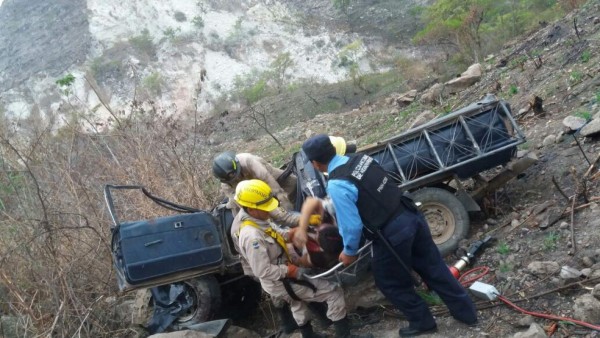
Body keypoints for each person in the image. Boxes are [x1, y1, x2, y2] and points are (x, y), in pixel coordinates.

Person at [298, 134, 478, 337]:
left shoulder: (337, 183)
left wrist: (349, 251)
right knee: (434, 267)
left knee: (389, 282)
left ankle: (423, 322)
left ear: (315, 163)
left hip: (391, 233)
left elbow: (352, 226)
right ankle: (467, 313)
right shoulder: (362, 159)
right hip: (410, 214)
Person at [233, 179, 371, 338]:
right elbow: (261, 270)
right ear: (251, 208)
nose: (269, 211)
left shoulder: (257, 220)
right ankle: (344, 335)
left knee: (297, 302)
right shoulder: (252, 237)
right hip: (280, 280)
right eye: (265, 209)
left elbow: (275, 233)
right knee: (333, 292)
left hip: (280, 277)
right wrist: (289, 270)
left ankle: (308, 335)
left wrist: (291, 234)